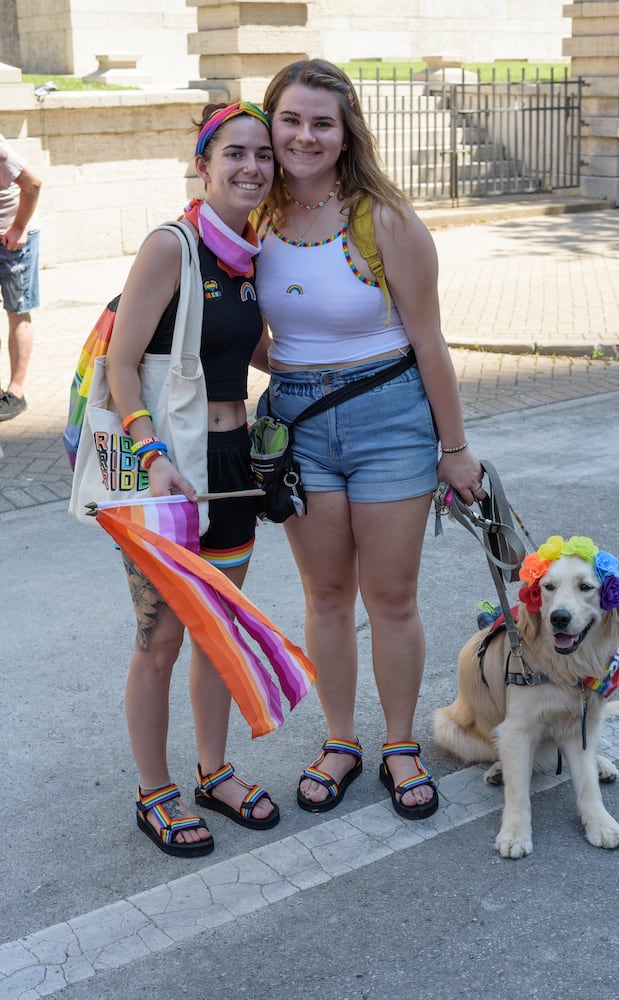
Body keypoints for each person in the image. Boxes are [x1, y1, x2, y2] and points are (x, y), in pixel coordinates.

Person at [254, 59, 484, 821]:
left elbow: (429, 340)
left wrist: (454, 449)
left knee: (390, 598)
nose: (304, 136)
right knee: (324, 596)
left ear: (346, 129)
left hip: (390, 418)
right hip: (299, 427)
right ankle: (341, 740)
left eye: (322, 121)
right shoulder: (254, 214)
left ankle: (398, 745)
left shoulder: (384, 217)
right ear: (271, 121)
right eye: (291, 119)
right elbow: (250, 332)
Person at [105, 102, 278, 857]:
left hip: (233, 468)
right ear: (203, 164)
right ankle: (154, 791)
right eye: (234, 153)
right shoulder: (170, 248)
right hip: (167, 474)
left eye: (263, 155)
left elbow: (265, 352)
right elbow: (119, 361)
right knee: (162, 640)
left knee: (218, 635)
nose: (251, 167)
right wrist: (149, 454)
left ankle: (215, 771)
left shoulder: (250, 252)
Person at [0, 134, 42, 421]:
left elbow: (33, 182)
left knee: (17, 310)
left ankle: (15, 392)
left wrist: (19, 227)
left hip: (13, 237)